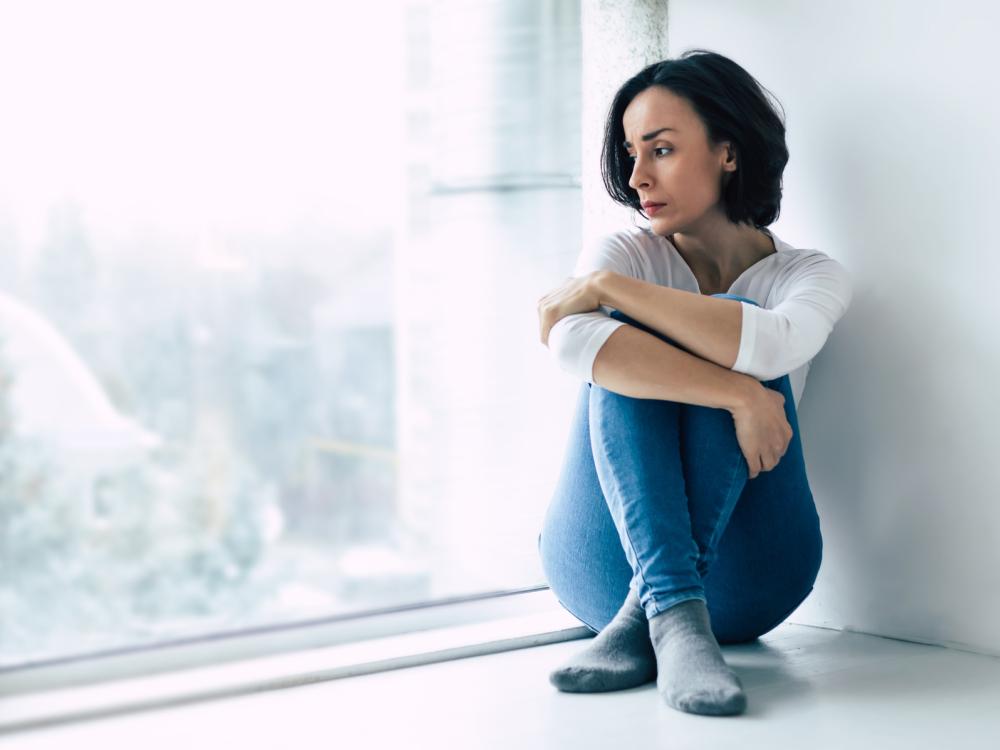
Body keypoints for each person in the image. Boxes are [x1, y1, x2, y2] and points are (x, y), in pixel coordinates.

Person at [535, 49, 853, 717]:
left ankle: (653, 616)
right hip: (600, 565)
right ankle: (671, 613)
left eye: (661, 149)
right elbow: (571, 342)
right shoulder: (626, 252)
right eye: (629, 152)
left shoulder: (811, 276)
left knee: (728, 326)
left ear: (729, 153)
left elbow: (769, 344)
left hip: (751, 577)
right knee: (625, 342)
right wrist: (737, 395)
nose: (636, 175)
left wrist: (606, 292)